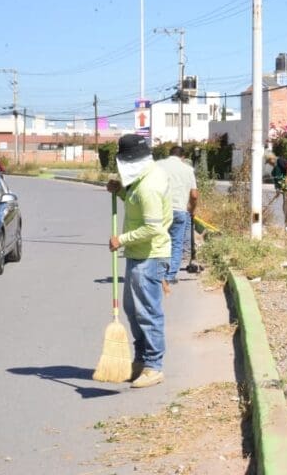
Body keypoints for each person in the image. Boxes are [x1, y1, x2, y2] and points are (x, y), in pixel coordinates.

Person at [106, 134, 173, 389]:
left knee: (147, 312)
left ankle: (154, 366)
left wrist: (121, 240)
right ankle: (141, 359)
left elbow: (153, 228)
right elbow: (136, 204)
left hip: (150, 256)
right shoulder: (142, 180)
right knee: (132, 310)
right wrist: (122, 192)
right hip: (138, 254)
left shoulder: (149, 186)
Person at [156, 146, 198, 287]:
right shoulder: (188, 169)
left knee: (159, 241)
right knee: (176, 244)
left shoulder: (158, 165)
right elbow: (194, 195)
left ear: (169, 154)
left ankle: (157, 273)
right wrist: (192, 209)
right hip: (180, 210)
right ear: (183, 157)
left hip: (159, 210)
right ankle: (169, 276)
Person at [266, 153, 287, 232]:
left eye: (269, 162)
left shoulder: (279, 161)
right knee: (286, 205)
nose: (269, 164)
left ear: (271, 159)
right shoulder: (274, 171)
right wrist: (277, 190)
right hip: (286, 187)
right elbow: (276, 182)